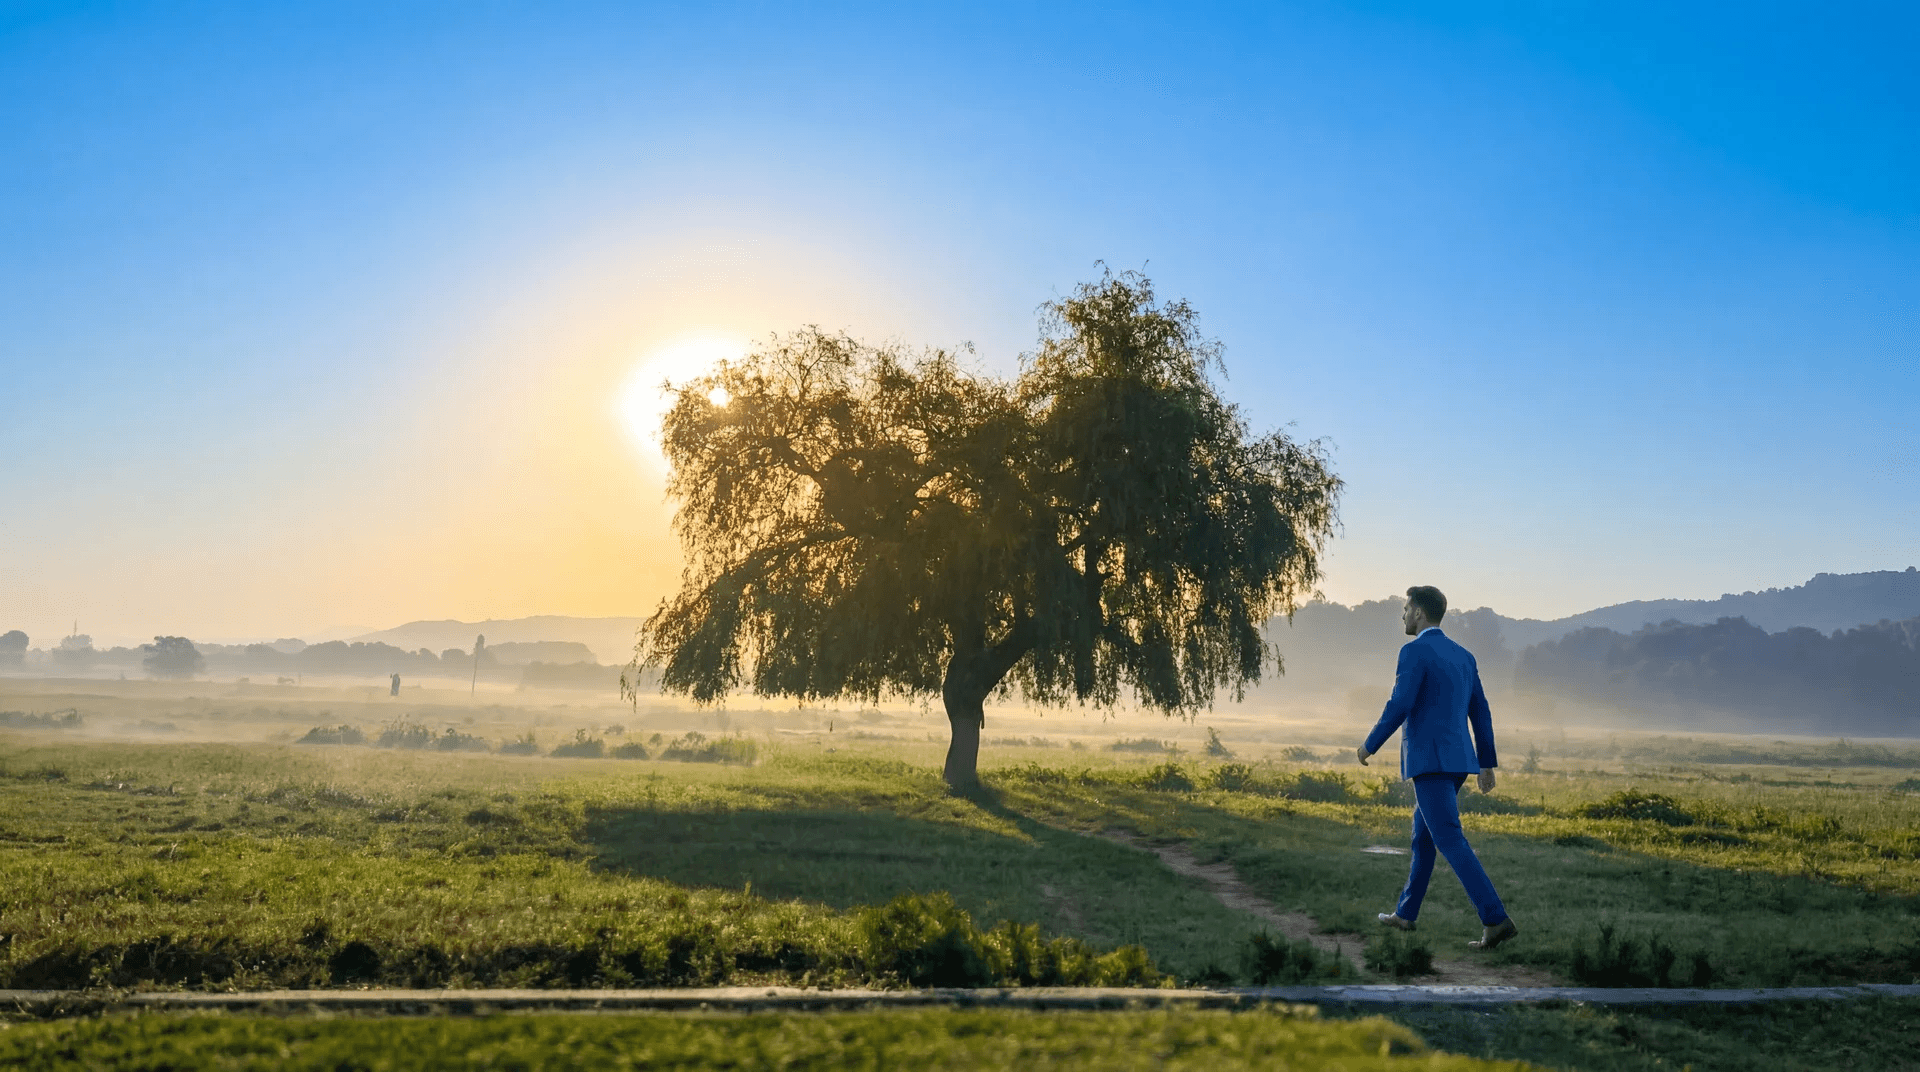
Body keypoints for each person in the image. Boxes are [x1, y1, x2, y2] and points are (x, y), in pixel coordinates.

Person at [1357, 585, 1518, 950]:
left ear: (1419, 613)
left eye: (1405, 608)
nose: (1402, 615)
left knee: (1449, 839)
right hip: (1459, 762)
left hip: (1429, 761)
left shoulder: (1413, 652)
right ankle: (1405, 915)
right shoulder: (1464, 655)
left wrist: (1369, 744)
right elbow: (1481, 711)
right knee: (1423, 837)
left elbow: (1400, 703)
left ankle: (1495, 918)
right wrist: (1486, 763)